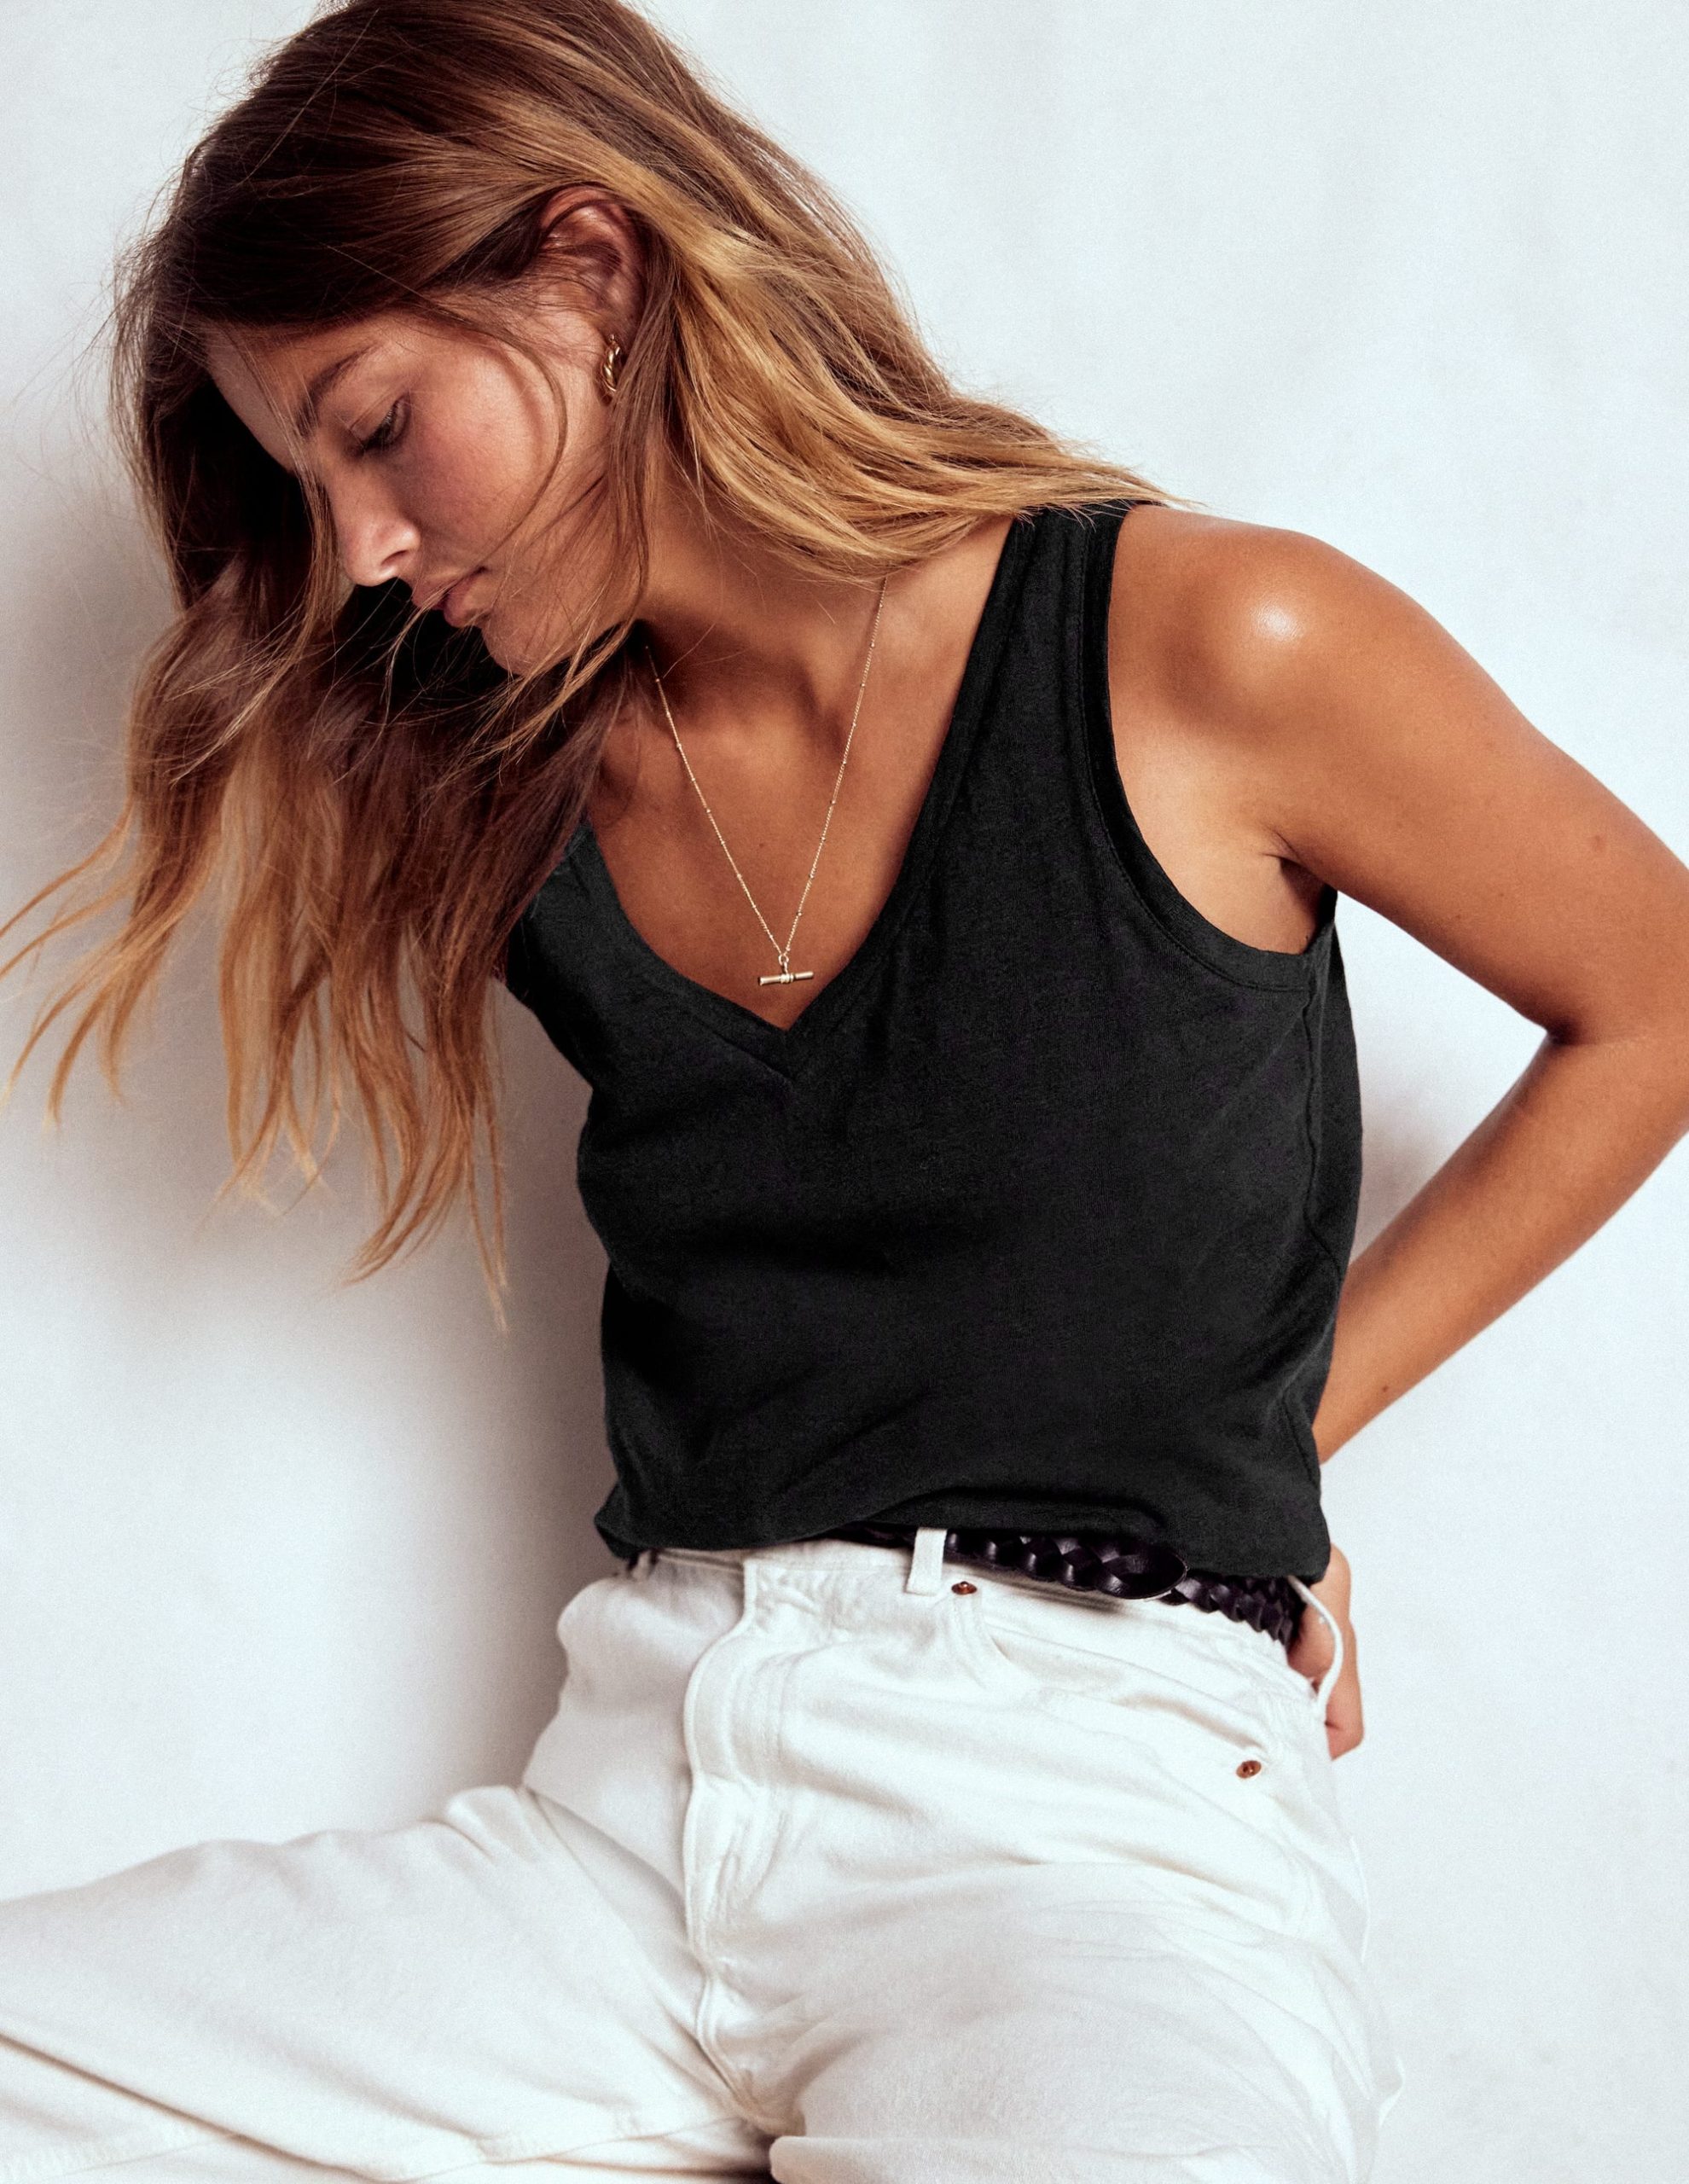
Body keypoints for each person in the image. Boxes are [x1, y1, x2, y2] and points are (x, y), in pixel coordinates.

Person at [3, 1, 1689, 2178]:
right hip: (627, 1813)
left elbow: (1654, 995)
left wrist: (1266, 1443)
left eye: (378, 430)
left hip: (1083, 1836)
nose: (359, 549)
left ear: (593, 269)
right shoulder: (524, 791)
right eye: (307, 489)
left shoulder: (1204, 643)